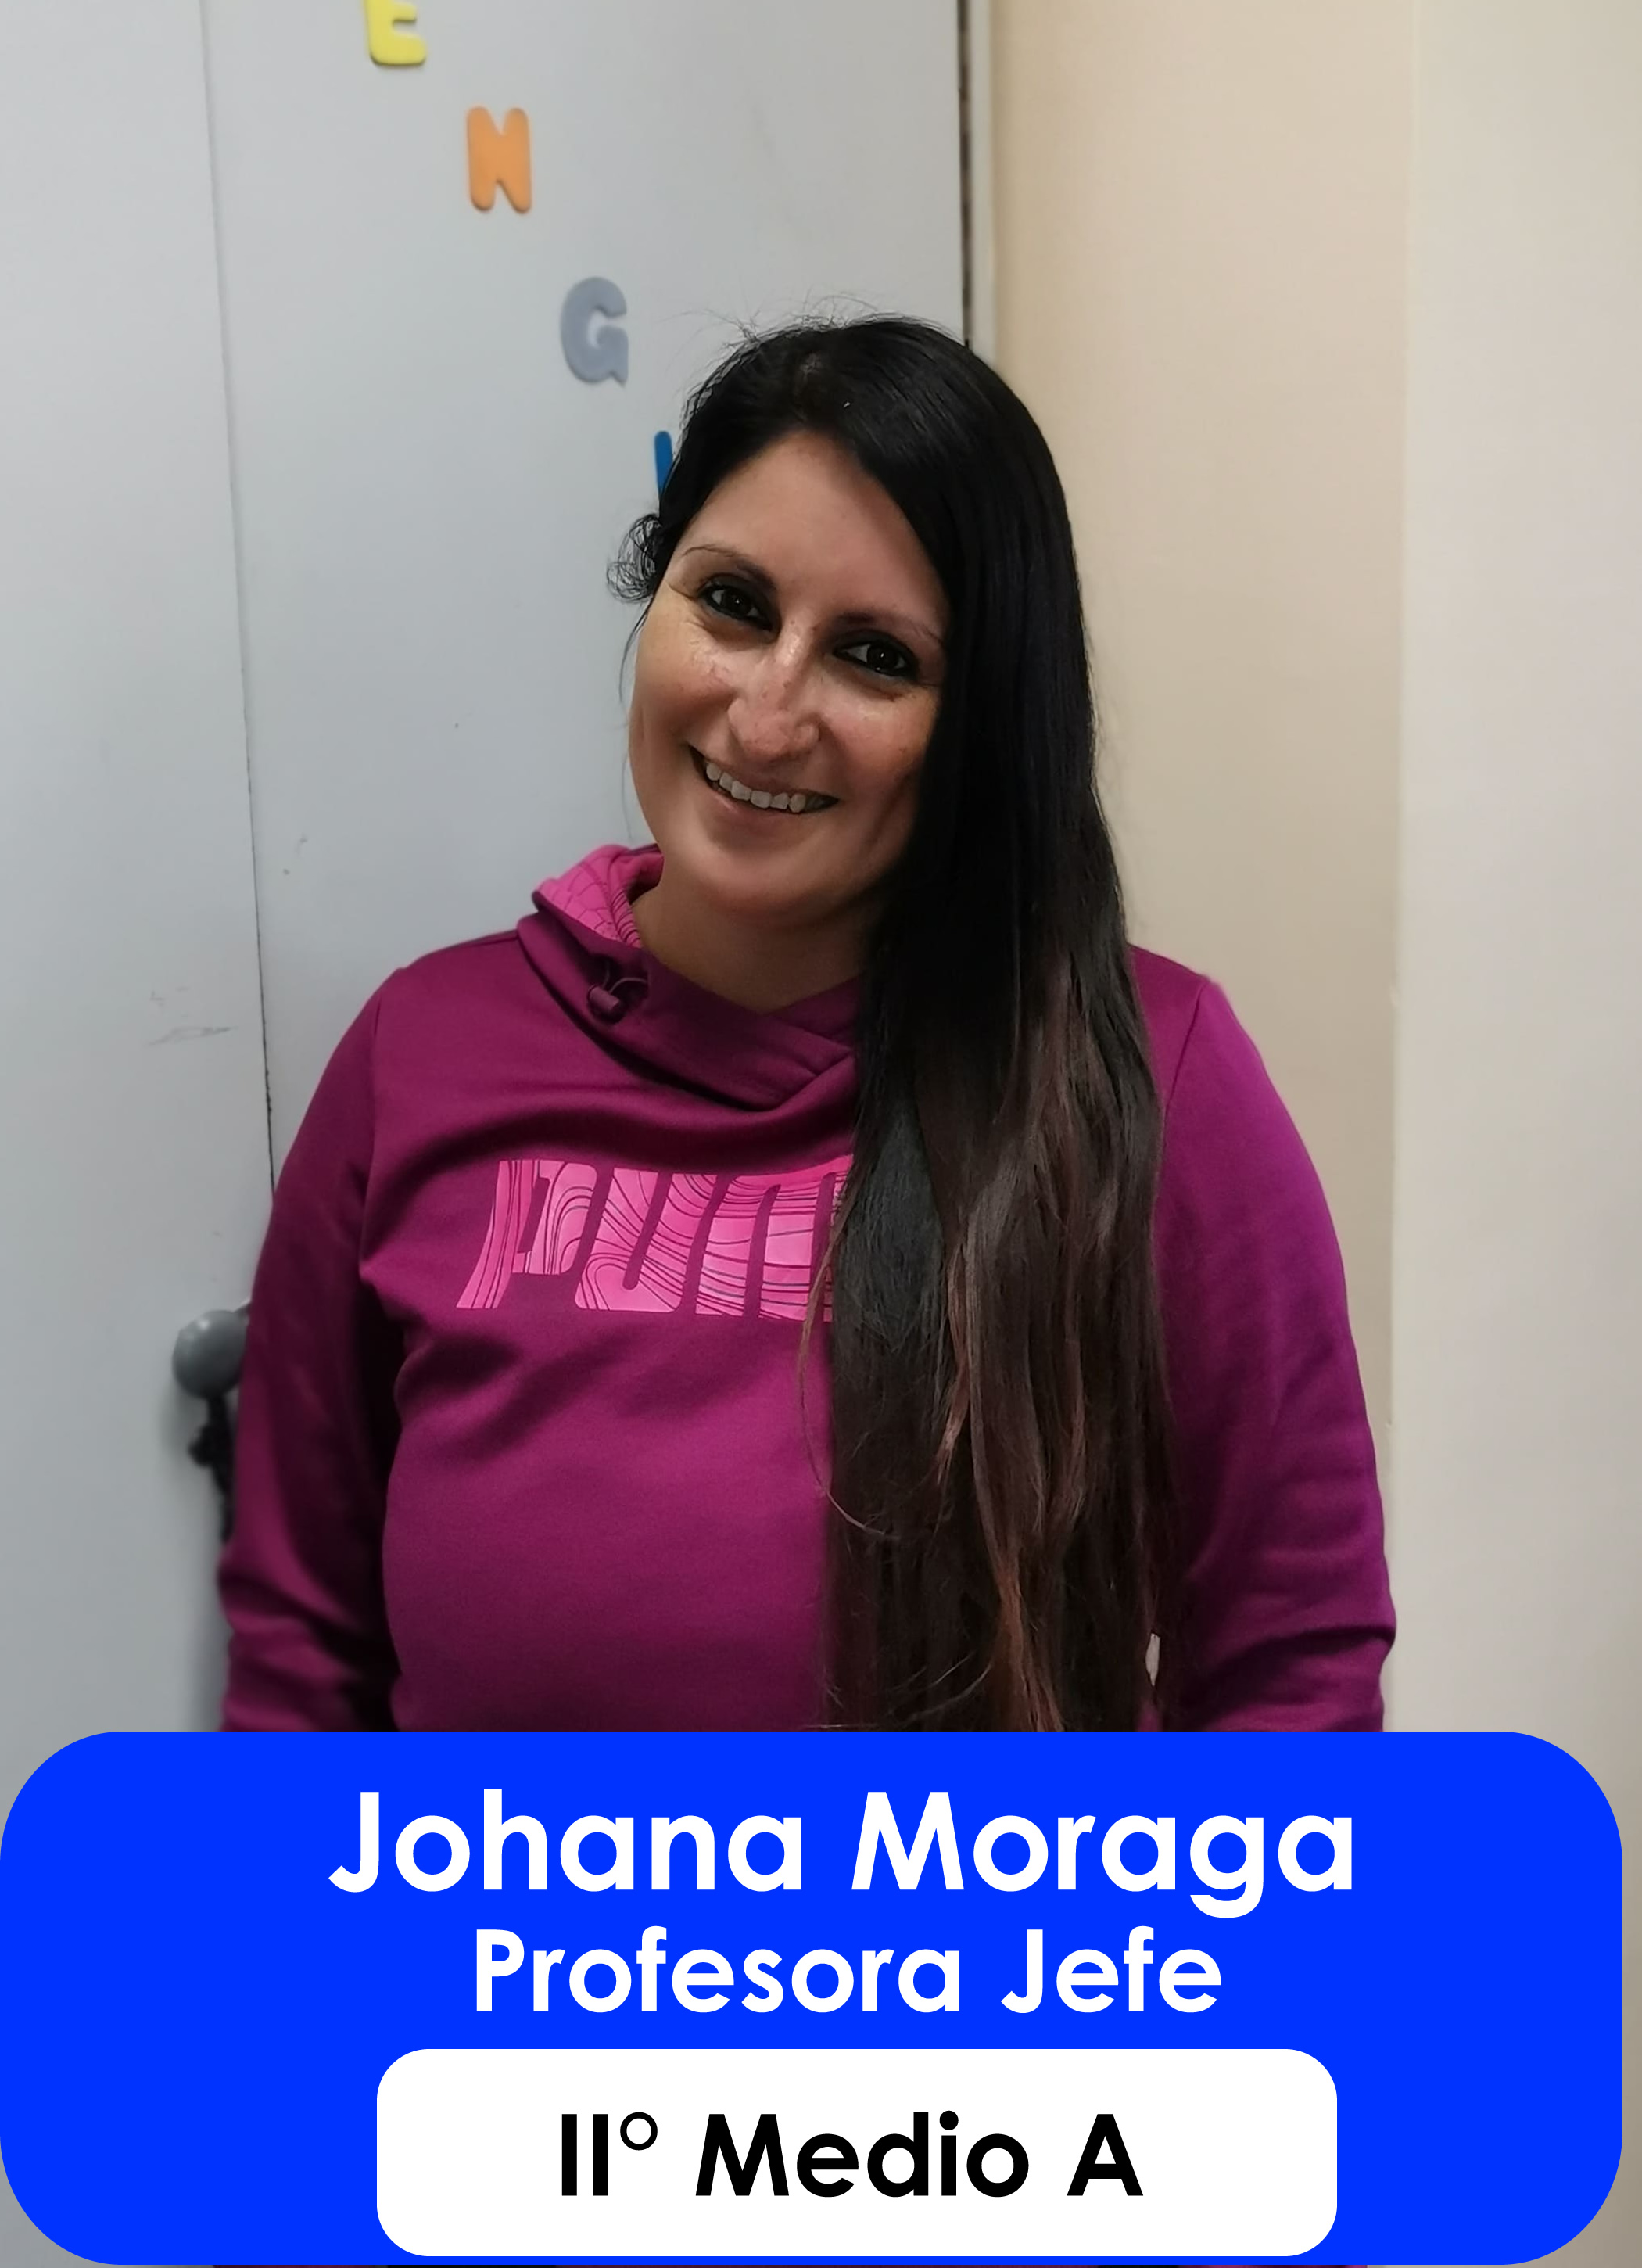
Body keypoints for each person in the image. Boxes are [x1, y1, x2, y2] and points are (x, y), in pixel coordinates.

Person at [218, 314, 1393, 1737]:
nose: (768, 716)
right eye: (730, 603)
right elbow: (301, 1657)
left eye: (875, 656)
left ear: (980, 724)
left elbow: (1293, 1664)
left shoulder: (1146, 1073)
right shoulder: (421, 1054)